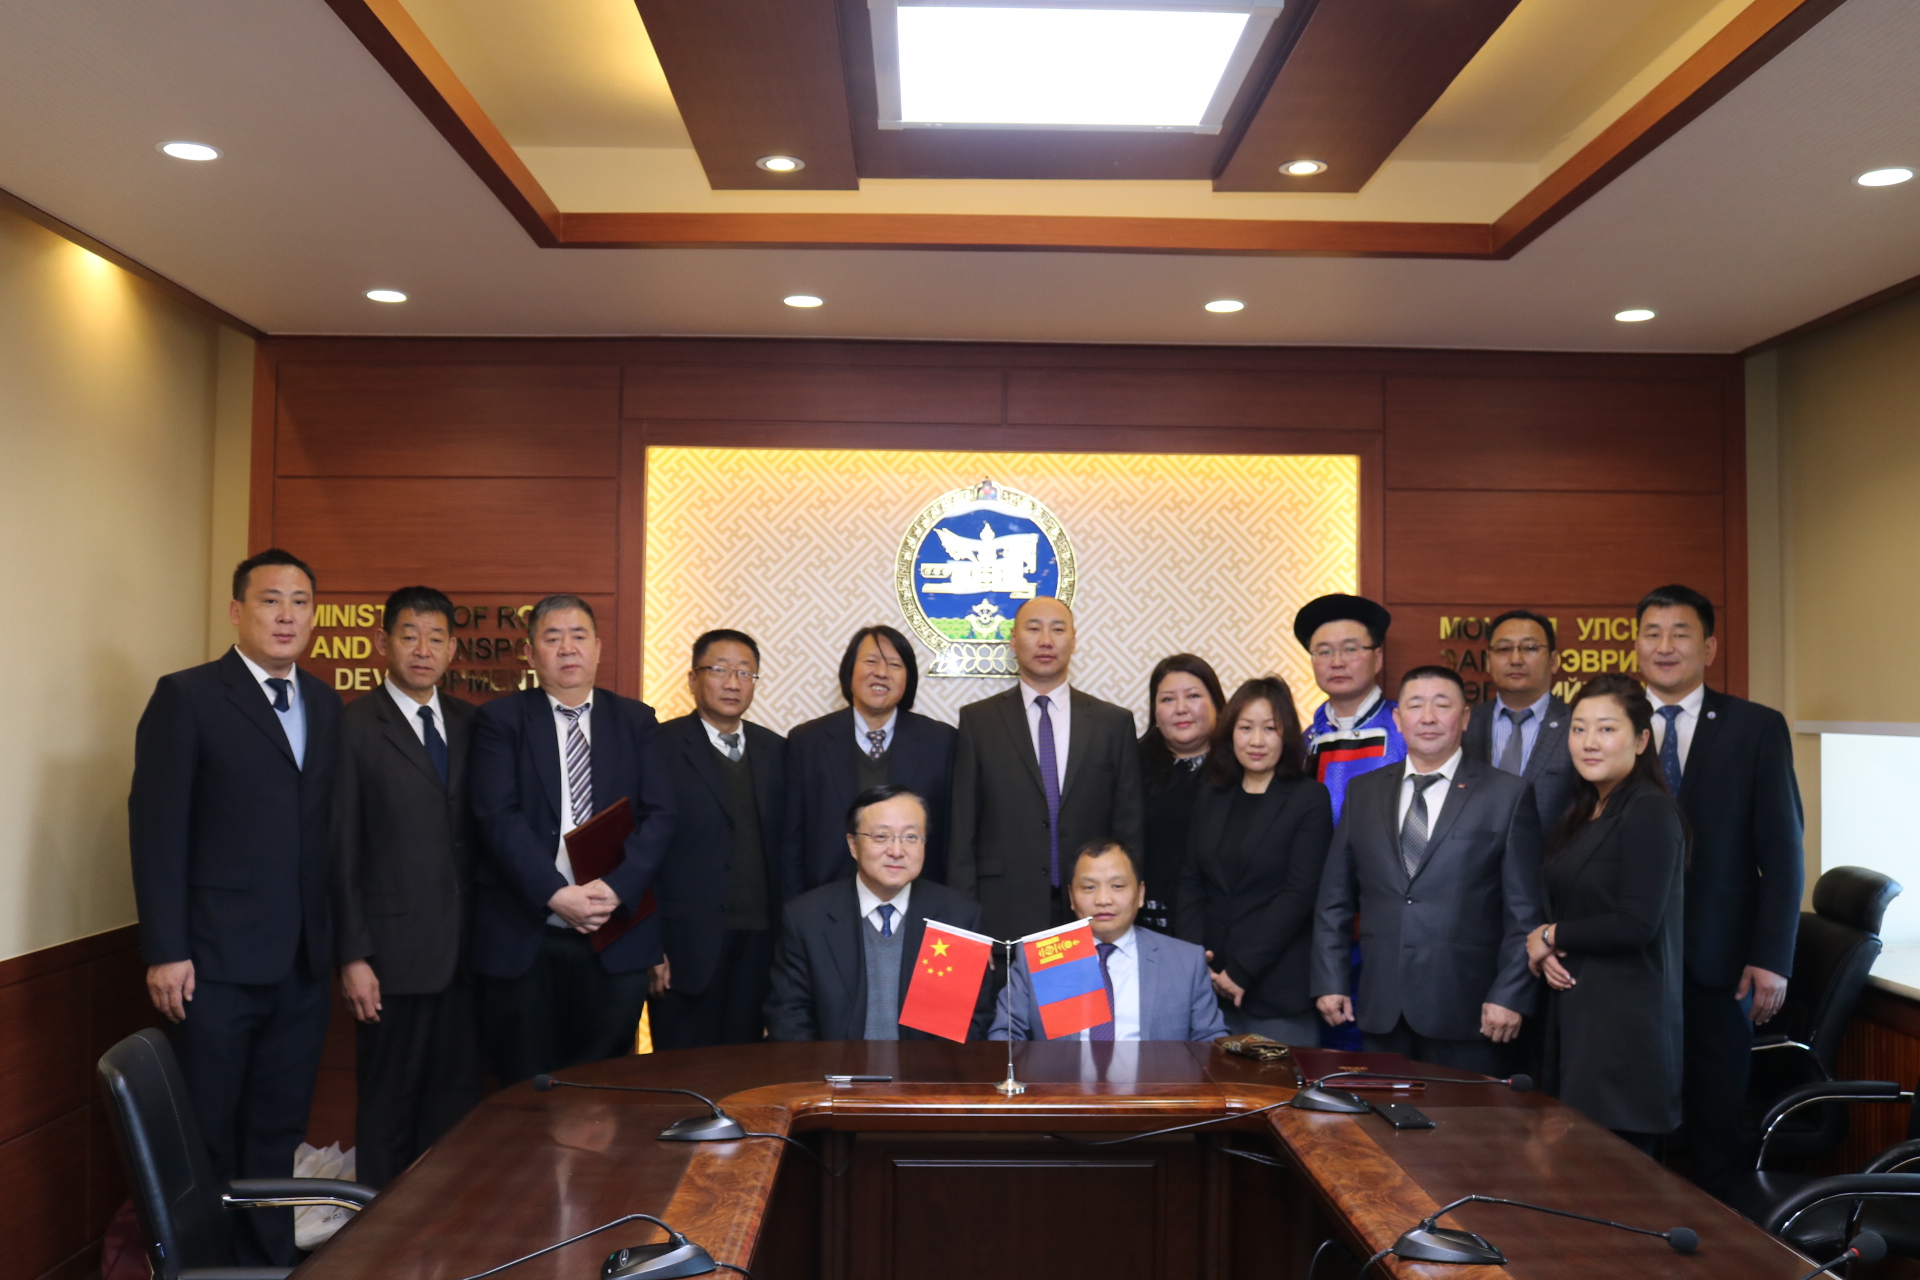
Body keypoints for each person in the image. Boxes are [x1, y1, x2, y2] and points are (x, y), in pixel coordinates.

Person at [128, 549, 340, 1266]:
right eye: (271, 600)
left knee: (278, 1127)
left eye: (300, 602)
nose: (286, 615)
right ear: (236, 611)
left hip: (302, 963)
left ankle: (267, 1262)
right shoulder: (187, 696)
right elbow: (157, 828)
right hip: (213, 962)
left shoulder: (324, 703)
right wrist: (165, 949)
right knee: (207, 1127)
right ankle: (200, 1265)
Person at [1635, 583, 1804, 1195]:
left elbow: (1782, 853)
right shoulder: (1608, 723)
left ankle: (1719, 1239)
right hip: (1627, 963)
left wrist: (1771, 957)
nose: (1665, 646)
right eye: (1652, 633)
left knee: (1715, 1130)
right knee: (1628, 1132)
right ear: (1636, 646)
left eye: (1680, 633)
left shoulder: (1756, 727)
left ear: (1708, 647)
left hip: (1720, 964)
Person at [469, 594, 676, 1084]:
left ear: (598, 648)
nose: (567, 648)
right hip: (527, 934)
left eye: (578, 636)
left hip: (615, 931)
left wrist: (617, 888)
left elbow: (661, 814)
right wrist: (555, 893)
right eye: (552, 637)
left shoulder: (636, 721)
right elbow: (497, 817)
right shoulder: (501, 720)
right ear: (530, 653)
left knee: (602, 1090)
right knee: (524, 1089)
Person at [1312, 665, 1545, 1075]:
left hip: (1470, 1011)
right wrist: (1330, 980)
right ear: (1398, 718)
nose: (1429, 717)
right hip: (1381, 1006)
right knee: (1382, 1116)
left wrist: (1510, 994)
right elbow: (1334, 900)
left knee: (1464, 1117)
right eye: (1416, 705)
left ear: (1466, 717)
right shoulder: (1363, 792)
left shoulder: (1507, 795)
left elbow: (1523, 913)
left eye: (1442, 705)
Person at [330, 585, 482, 1189]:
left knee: (457, 1107)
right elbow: (339, 849)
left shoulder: (471, 723)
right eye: (410, 636)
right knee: (388, 1107)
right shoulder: (352, 726)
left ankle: (443, 1229)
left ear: (453, 649)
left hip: (468, 956)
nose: (423, 650)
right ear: (383, 643)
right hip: (390, 957)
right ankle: (379, 1233)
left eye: (436, 638)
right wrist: (352, 956)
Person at [1526, 674, 1687, 1154]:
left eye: (1606, 729)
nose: (1589, 742)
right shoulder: (1587, 809)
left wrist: (1550, 935)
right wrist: (1550, 945)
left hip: (1624, 1030)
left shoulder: (1649, 811)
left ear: (1641, 740)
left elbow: (1636, 923)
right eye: (1578, 729)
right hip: (1581, 1016)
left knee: (1614, 1179)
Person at [949, 596, 1145, 939]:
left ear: (1074, 640)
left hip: (1092, 909)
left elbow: (1130, 827)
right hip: (1003, 907)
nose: (1045, 640)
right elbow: (962, 830)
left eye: (1057, 629)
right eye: (1033, 629)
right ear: (1013, 640)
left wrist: (1126, 911)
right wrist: (966, 929)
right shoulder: (978, 722)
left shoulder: (1113, 724)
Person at [1179, 676, 1337, 1044]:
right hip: (1208, 986)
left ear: (1287, 735)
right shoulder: (1211, 795)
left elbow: (1300, 894)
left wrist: (1242, 969)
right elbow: (1191, 880)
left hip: (1276, 989)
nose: (1256, 741)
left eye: (1270, 728)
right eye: (1246, 727)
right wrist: (1195, 960)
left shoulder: (1309, 798)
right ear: (1230, 733)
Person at [649, 630, 786, 1050]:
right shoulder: (658, 746)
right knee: (682, 1070)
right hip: (683, 946)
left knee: (747, 1067)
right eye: (719, 670)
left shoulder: (777, 751)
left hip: (760, 943)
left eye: (745, 672)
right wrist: (649, 946)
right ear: (693, 678)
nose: (732, 682)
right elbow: (639, 851)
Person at [767, 785, 991, 1041]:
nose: (896, 851)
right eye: (881, 836)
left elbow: (970, 1023)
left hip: (927, 1066)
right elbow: (789, 1018)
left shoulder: (957, 918)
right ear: (853, 844)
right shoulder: (807, 918)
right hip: (833, 1065)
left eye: (911, 837)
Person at [782, 625, 956, 898]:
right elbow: (791, 840)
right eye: (871, 661)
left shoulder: (942, 742)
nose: (882, 672)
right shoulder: (807, 742)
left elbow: (953, 837)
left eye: (894, 665)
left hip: (916, 901)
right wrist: (794, 908)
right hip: (827, 902)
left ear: (908, 678)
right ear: (849, 671)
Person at [993, 840, 1227, 1042]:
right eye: (1089, 887)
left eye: (1117, 886)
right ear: (1072, 897)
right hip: (1061, 1081)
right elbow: (1006, 1035)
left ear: (1141, 894)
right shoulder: (1040, 956)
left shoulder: (1186, 962)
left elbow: (1211, 1042)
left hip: (1156, 1080)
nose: (1103, 899)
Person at [1463, 610, 1577, 835]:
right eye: (1504, 649)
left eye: (1530, 648)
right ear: (1488, 661)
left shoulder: (1577, 726)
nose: (1516, 660)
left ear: (1554, 661)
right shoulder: (1464, 725)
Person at [1297, 593, 1405, 824]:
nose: (1337, 662)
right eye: (1324, 652)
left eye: (1350, 649)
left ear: (1377, 658)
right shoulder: (1304, 741)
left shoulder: (1404, 726)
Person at [1137, 654, 1225, 932]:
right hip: (1147, 921)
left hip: (1223, 924)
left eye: (1193, 696)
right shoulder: (1131, 764)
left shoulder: (1240, 766)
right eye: (1167, 699)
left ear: (1217, 703)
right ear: (1155, 711)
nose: (1181, 709)